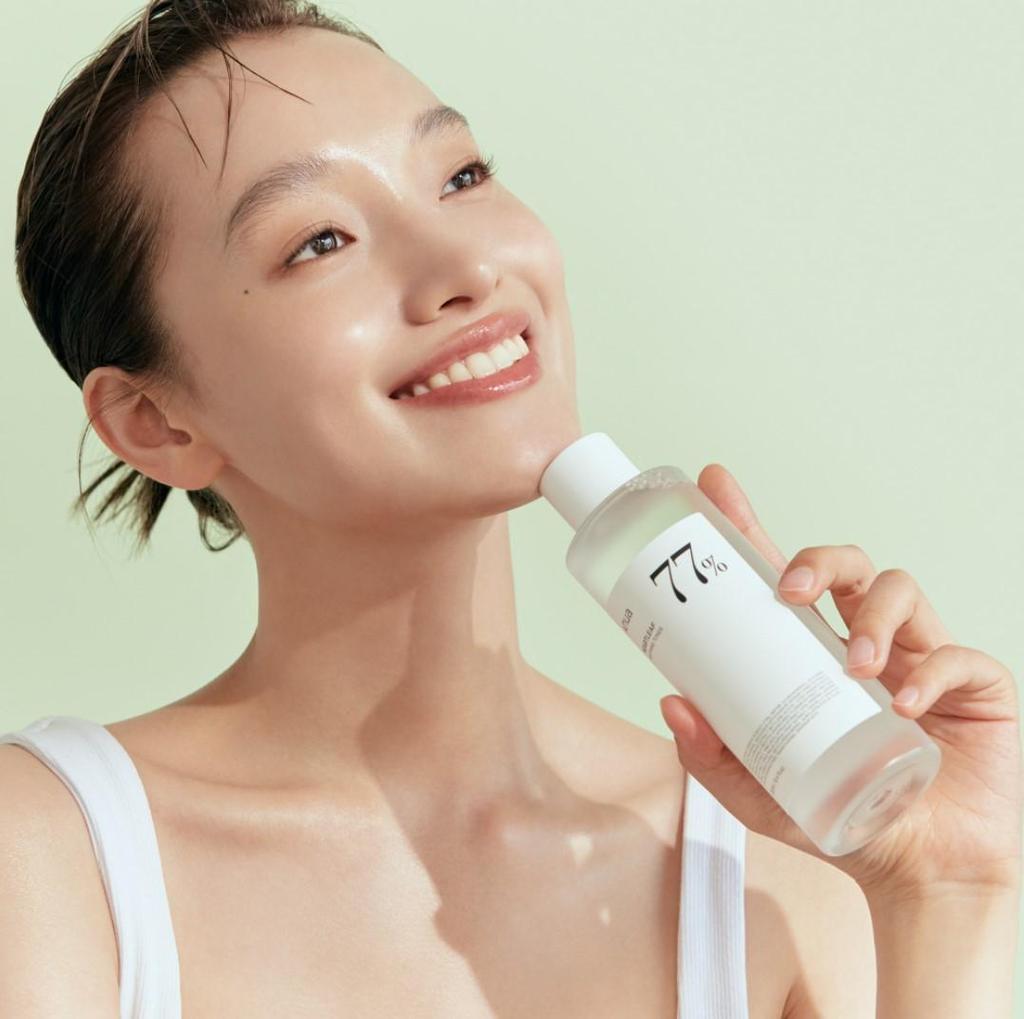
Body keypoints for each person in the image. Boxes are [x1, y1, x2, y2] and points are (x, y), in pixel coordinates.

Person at [3, 2, 1020, 1016]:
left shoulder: (770, 862)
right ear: (155, 422)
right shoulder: (53, 856)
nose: (467, 269)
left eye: (461, 177)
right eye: (320, 240)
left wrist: (946, 893)